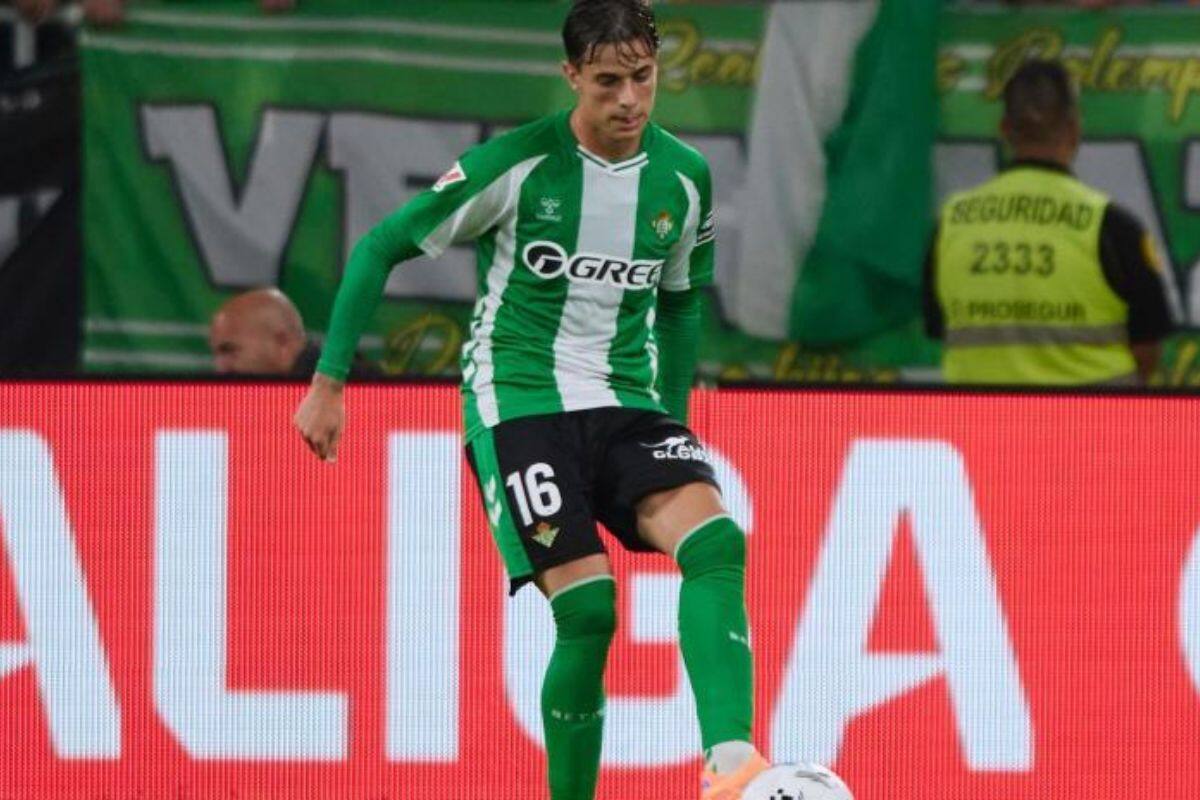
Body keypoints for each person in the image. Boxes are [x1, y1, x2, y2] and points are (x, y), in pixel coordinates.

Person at [294, 1, 766, 798]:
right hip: (518, 404)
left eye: (643, 79)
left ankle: (729, 762)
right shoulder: (513, 164)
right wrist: (329, 382)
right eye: (609, 81)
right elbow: (381, 246)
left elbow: (682, 301)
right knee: (589, 614)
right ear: (572, 75)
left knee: (717, 545)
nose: (629, 100)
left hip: (625, 404)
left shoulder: (683, 176)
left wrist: (674, 418)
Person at [924, 58, 1174, 386]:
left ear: (1004, 130)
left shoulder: (952, 223)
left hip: (981, 430)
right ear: (1074, 127)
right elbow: (1147, 349)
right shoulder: (1112, 227)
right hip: (1094, 430)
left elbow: (939, 329)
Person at [210, 287, 377, 378]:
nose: (220, 368)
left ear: (282, 343)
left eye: (230, 350)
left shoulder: (349, 388)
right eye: (217, 355)